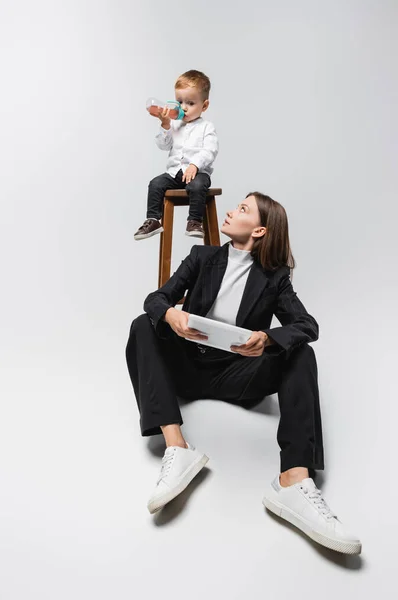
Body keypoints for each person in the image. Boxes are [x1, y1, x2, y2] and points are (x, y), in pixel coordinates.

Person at [126, 192, 362, 555]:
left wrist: (267, 339)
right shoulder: (201, 257)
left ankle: (294, 481)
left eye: (243, 209)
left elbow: (307, 325)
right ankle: (177, 447)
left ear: (260, 230)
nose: (232, 211)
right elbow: (156, 299)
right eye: (237, 205)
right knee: (144, 324)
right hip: (188, 367)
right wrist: (171, 314)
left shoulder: (274, 278)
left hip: (239, 376)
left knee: (302, 353)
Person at [134, 70, 219, 241]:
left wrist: (194, 165)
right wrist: (165, 125)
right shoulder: (175, 124)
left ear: (204, 105)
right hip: (174, 173)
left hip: (196, 174)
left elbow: (210, 151)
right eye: (180, 102)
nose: (184, 107)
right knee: (156, 184)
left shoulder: (206, 127)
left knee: (197, 186)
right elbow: (163, 145)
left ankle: (194, 221)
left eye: (191, 103)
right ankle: (153, 219)